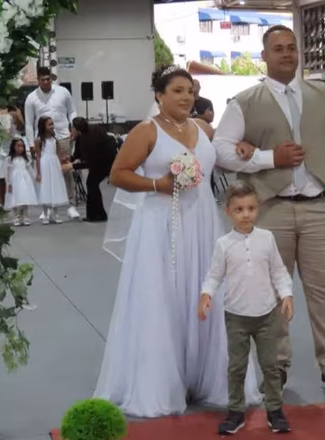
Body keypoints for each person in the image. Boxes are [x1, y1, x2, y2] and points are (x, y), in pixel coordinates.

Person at [93, 65, 261, 418]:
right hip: (160, 223)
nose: (187, 97)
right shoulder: (146, 131)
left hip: (202, 220)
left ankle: (210, 377)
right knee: (164, 296)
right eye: (178, 91)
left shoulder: (202, 128)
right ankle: (161, 381)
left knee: (205, 289)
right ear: (159, 95)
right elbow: (118, 174)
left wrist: (243, 149)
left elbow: (223, 159)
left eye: (190, 91)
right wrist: (158, 185)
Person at [212, 25, 325, 396]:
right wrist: (268, 159)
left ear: (299, 53)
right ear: (264, 55)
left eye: (291, 47)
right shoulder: (244, 102)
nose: (286, 53)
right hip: (270, 209)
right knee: (271, 294)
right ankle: (276, 367)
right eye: (278, 48)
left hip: (321, 208)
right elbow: (220, 151)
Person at [199, 181, 294, 435]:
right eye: (239, 209)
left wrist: (286, 295)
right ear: (228, 211)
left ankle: (275, 410)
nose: (246, 214)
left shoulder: (267, 239)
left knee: (271, 366)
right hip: (236, 317)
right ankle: (236, 411)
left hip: (267, 315)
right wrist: (206, 294)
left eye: (251, 208)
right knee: (236, 367)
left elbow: (279, 271)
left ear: (258, 208)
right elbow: (214, 275)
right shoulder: (224, 244)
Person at [24, 67, 81, 221]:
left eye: (48, 79)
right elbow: (29, 123)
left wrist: (74, 128)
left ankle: (70, 205)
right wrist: (31, 143)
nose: (46, 82)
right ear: (38, 80)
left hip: (63, 136)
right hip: (42, 140)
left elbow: (72, 111)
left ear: (51, 78)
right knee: (45, 173)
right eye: (42, 79)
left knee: (66, 170)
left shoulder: (63, 92)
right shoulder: (31, 98)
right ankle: (47, 207)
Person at [69, 117, 115, 222]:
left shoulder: (89, 139)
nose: (71, 130)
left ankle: (97, 215)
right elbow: (78, 153)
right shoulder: (82, 136)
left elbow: (90, 162)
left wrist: (73, 166)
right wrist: (70, 159)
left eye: (72, 128)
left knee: (92, 184)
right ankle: (98, 214)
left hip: (104, 162)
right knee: (92, 184)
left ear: (77, 129)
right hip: (99, 162)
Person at [34, 116, 70, 224]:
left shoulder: (55, 139)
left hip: (54, 164)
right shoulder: (39, 140)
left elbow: (59, 154)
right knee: (45, 188)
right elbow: (38, 156)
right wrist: (38, 172)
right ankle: (45, 213)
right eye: (49, 124)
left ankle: (56, 213)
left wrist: (61, 165)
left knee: (55, 187)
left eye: (52, 124)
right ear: (43, 126)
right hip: (45, 164)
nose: (52, 126)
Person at [0, 105, 24, 207]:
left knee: (16, 175)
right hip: (1, 147)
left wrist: (15, 117)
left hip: (12, 145)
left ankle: (17, 202)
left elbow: (20, 126)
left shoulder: (14, 110)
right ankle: (2, 204)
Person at [4, 139, 39, 226]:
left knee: (24, 198)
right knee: (14, 198)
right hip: (14, 181)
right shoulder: (10, 159)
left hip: (24, 180)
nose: (20, 148)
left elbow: (29, 169)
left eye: (22, 146)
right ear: (13, 147)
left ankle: (25, 216)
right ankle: (16, 216)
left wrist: (35, 177)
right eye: (18, 146)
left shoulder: (26, 158)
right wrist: (9, 183)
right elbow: (8, 172)